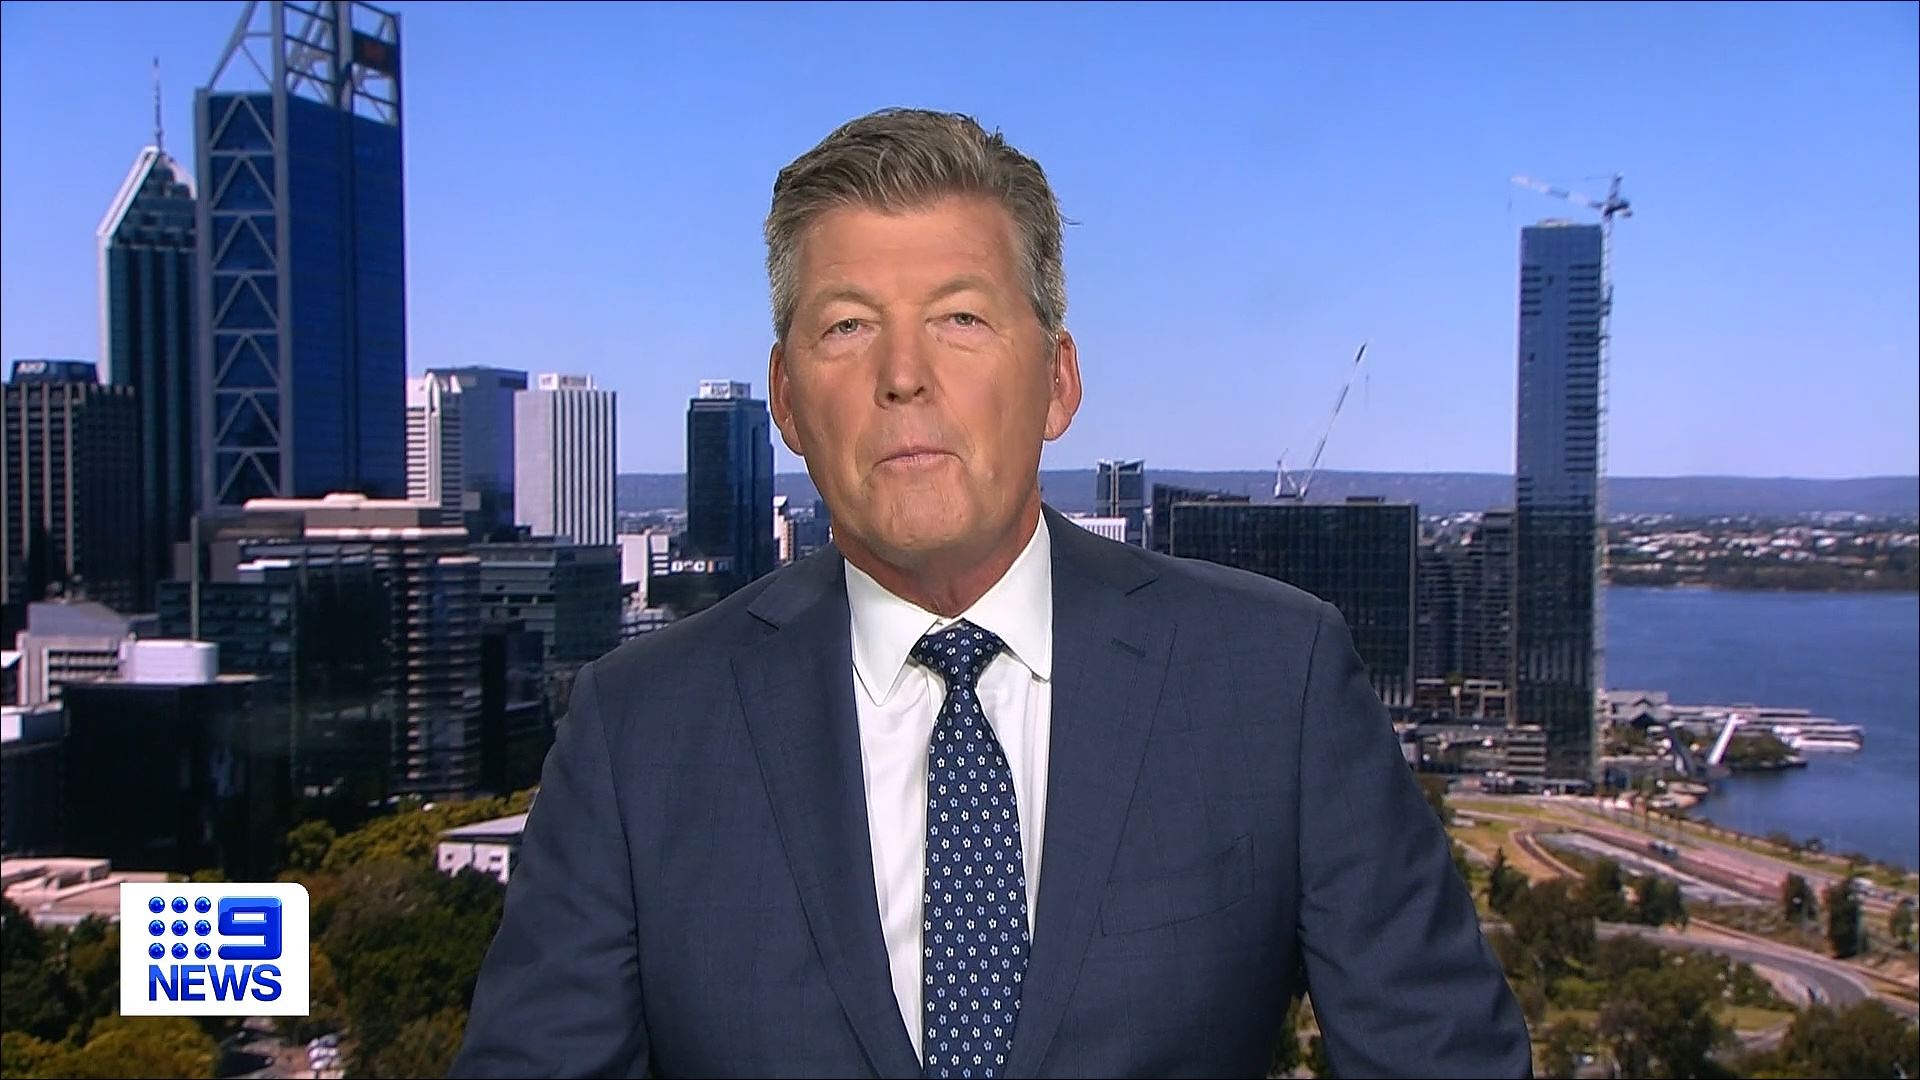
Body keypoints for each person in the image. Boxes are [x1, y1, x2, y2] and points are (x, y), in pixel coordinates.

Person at [452, 107, 1529, 1079]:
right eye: (847, 326)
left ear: (1057, 381)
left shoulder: (1272, 679)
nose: (903, 374)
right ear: (785, 399)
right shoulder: (637, 728)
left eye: (961, 319)